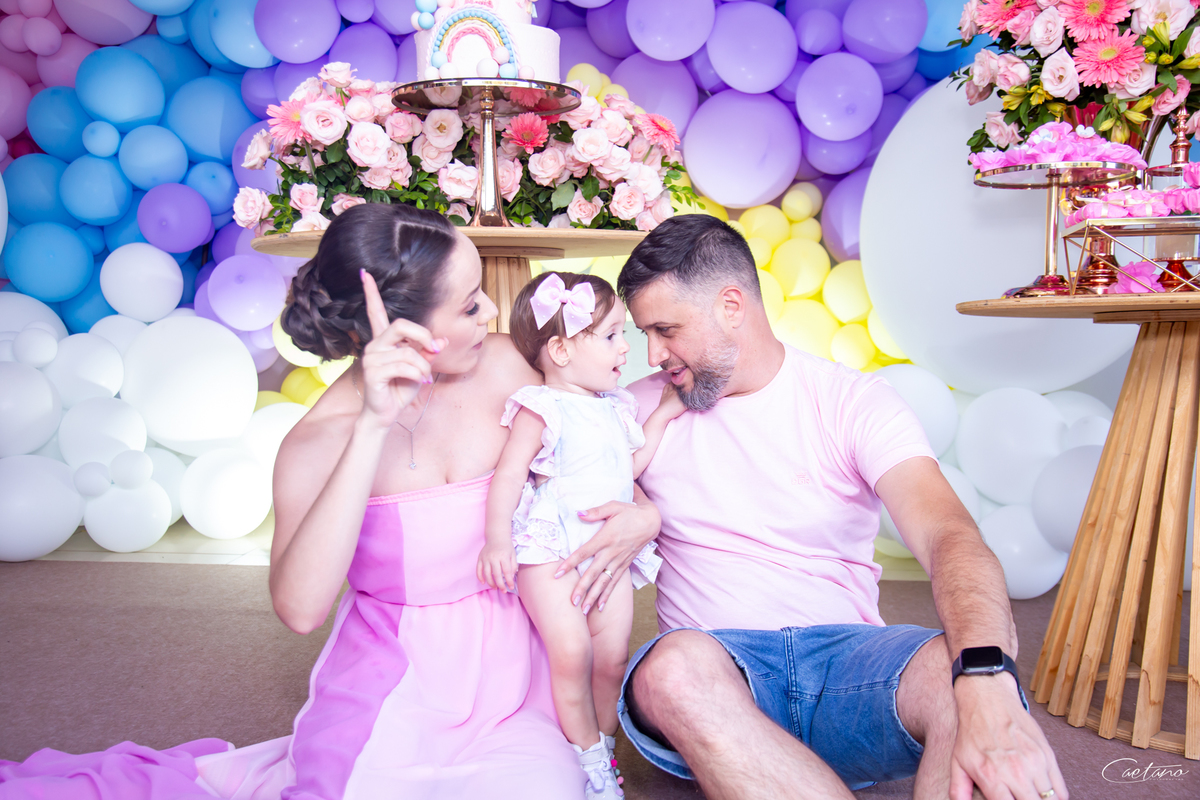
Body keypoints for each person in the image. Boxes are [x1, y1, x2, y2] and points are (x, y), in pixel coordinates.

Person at [0, 204, 660, 800]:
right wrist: (371, 425)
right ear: (400, 326)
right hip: (393, 688)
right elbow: (300, 609)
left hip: (522, 681)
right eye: (467, 306)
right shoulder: (314, 444)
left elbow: (597, 446)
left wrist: (644, 513)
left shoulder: (512, 366)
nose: (490, 313)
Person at [550, 214, 1070, 800]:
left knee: (967, 674)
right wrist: (641, 505)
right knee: (669, 670)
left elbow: (950, 535)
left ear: (730, 305)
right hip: (716, 673)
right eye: (644, 333)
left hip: (848, 668)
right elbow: (569, 485)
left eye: (666, 330)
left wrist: (987, 677)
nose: (652, 354)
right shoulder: (630, 412)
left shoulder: (853, 402)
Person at [478, 271, 682, 799]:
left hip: (607, 553)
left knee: (611, 658)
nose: (626, 348)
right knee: (572, 653)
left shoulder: (615, 407)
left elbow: (626, 469)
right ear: (562, 350)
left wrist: (661, 416)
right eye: (612, 335)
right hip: (551, 551)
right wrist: (497, 539)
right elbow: (509, 475)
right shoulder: (541, 406)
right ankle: (587, 760)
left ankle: (602, 748)